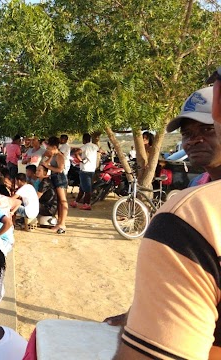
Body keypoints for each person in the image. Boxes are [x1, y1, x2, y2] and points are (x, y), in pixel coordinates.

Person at [109, 86, 221, 358]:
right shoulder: (199, 186)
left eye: (206, 129)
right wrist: (145, 312)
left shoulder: (190, 212)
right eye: (187, 134)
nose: (193, 141)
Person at [40, 136, 68, 234]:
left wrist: (49, 166)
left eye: (49, 148)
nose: (48, 150)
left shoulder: (60, 156)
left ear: (55, 147)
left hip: (60, 178)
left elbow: (60, 169)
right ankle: (59, 222)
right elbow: (45, 163)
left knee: (63, 201)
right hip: (54, 178)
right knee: (59, 202)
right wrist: (49, 158)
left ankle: (62, 223)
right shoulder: (54, 155)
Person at [70, 133, 99, 210]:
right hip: (92, 169)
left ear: (84, 139)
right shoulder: (95, 146)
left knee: (87, 189)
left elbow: (76, 153)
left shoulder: (84, 147)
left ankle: (87, 204)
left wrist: (81, 160)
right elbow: (100, 150)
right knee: (82, 188)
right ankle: (76, 202)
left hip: (85, 169)